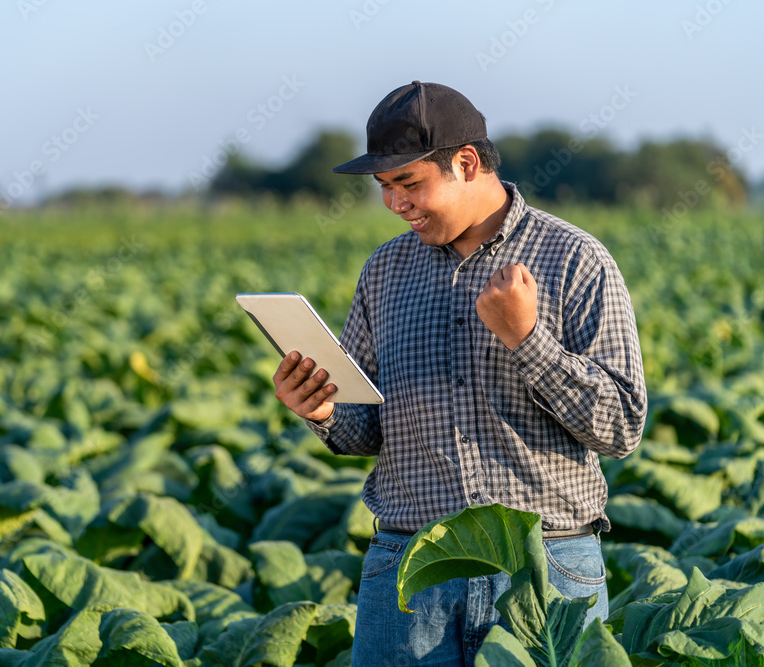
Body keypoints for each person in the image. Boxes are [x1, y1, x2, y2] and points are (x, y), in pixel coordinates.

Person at [271, 81, 647, 665]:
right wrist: (321, 410)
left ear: (466, 163)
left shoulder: (574, 259)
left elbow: (621, 426)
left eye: (408, 183)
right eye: (385, 188)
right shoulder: (386, 271)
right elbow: (365, 429)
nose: (396, 204)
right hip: (412, 572)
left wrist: (527, 340)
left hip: (543, 571)